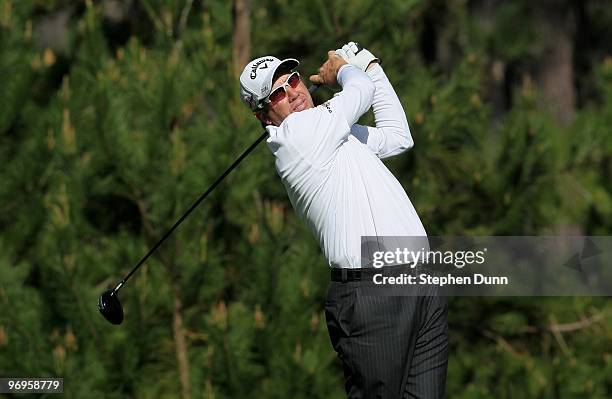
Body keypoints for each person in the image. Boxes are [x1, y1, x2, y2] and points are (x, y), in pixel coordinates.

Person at [239, 43, 448, 399]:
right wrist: (345, 69)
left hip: (420, 282)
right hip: (372, 293)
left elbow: (399, 137)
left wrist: (369, 64)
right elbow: (361, 91)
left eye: (292, 80)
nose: (292, 92)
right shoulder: (297, 137)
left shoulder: (335, 134)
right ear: (262, 115)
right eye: (277, 94)